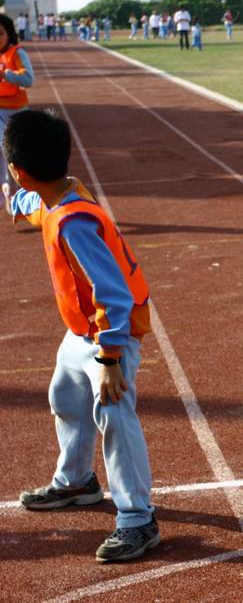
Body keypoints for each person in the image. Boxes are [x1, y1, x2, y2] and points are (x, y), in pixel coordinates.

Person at [6, 109, 159, 561]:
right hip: (82, 333)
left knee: (115, 418)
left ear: (18, 170)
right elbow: (35, 205)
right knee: (65, 398)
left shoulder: (75, 223)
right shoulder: (61, 194)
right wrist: (17, 203)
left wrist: (111, 358)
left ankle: (138, 519)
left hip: (108, 337)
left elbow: (113, 293)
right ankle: (76, 482)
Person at [0, 15, 34, 215]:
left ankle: (25, 196)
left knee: (17, 155)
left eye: (0, 33)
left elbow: (29, 79)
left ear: (9, 34)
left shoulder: (17, 53)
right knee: (2, 149)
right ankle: (6, 192)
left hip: (17, 112)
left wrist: (5, 74)